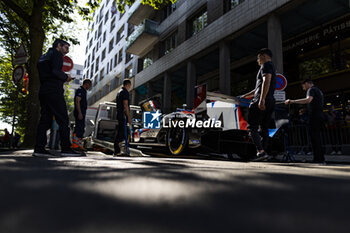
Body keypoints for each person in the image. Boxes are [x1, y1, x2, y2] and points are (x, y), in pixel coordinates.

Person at [33, 39, 82, 157]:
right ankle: (66, 148)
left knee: (45, 120)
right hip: (54, 91)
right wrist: (66, 77)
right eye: (66, 47)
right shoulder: (57, 55)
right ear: (58, 45)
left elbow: (48, 72)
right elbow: (55, 71)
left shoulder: (44, 56)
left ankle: (39, 149)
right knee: (63, 119)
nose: (67, 50)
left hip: (44, 90)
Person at [240, 48, 276, 161]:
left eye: (258, 58)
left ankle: (260, 152)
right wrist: (246, 95)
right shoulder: (272, 67)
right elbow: (258, 87)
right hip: (270, 100)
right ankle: (264, 152)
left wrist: (261, 99)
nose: (257, 61)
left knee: (252, 127)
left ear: (263, 56)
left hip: (262, 101)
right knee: (264, 127)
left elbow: (266, 81)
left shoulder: (265, 66)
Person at [285, 79, 325, 163]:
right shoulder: (318, 90)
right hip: (320, 115)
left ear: (307, 83)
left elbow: (308, 100)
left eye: (303, 85)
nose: (303, 87)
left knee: (314, 138)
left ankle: (318, 159)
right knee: (317, 137)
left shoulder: (311, 90)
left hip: (314, 116)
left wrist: (292, 101)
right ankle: (320, 158)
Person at [71, 79, 92, 151]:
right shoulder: (80, 90)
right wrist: (79, 113)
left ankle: (78, 145)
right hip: (79, 112)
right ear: (86, 84)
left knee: (81, 128)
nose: (89, 87)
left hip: (82, 112)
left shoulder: (83, 91)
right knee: (78, 128)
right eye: (89, 85)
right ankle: (75, 145)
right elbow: (77, 101)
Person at [114, 79, 132, 156]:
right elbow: (125, 105)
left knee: (120, 133)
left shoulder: (119, 92)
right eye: (129, 86)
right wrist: (129, 117)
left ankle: (118, 150)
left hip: (119, 113)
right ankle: (118, 150)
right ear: (127, 85)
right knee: (121, 133)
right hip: (122, 114)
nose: (129, 87)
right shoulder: (125, 92)